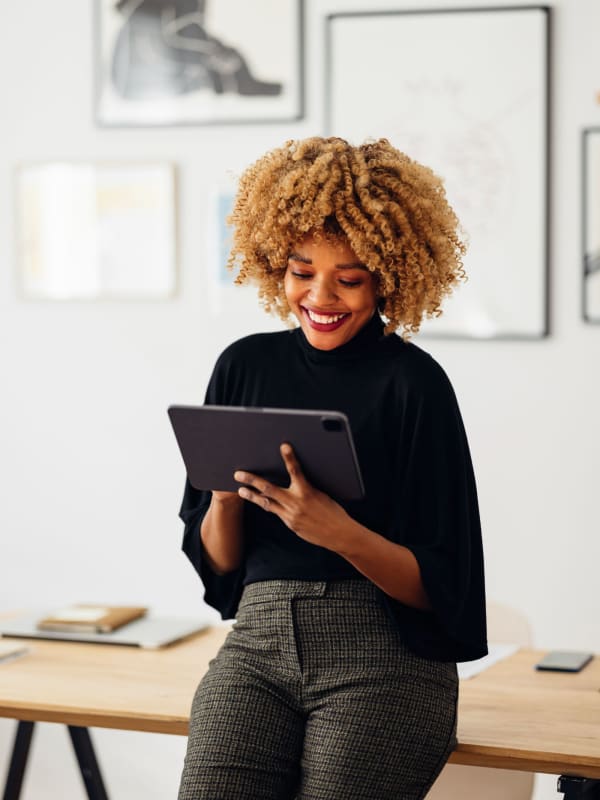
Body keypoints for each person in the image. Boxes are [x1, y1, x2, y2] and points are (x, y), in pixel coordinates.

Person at [177, 136, 487, 800]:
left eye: (349, 278)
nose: (321, 295)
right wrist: (226, 498)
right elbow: (220, 567)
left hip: (384, 658)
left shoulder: (414, 384)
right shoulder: (244, 365)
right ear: (273, 264)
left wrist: (334, 530)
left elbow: (443, 586)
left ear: (390, 273)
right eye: (300, 270)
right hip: (256, 646)